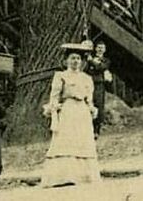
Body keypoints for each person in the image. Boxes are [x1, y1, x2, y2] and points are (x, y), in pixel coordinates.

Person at [40, 40, 101, 188]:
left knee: (82, 141)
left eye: (78, 58)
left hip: (82, 112)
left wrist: (91, 108)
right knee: (66, 140)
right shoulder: (60, 76)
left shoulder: (86, 78)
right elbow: (54, 97)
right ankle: (62, 177)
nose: (75, 61)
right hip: (68, 111)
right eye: (72, 58)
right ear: (66, 60)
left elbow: (89, 99)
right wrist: (54, 109)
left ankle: (84, 176)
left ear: (81, 62)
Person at [85, 40, 113, 137]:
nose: (100, 49)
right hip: (89, 83)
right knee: (88, 104)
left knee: (99, 106)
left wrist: (91, 61)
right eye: (98, 47)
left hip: (99, 85)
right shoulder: (89, 58)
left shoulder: (106, 61)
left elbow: (101, 68)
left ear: (105, 50)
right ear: (95, 48)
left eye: (102, 48)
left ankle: (96, 130)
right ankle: (88, 129)